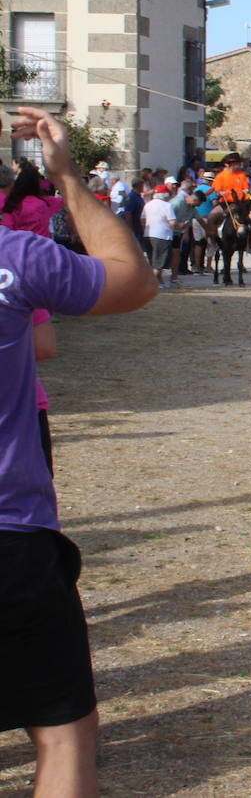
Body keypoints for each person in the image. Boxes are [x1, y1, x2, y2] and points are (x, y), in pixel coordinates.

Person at [1, 106, 160, 798]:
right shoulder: (13, 258)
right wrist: (66, 175)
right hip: (11, 536)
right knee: (64, 735)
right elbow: (133, 279)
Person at [209, 153, 251, 258]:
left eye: (238, 163)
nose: (237, 165)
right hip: (226, 203)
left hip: (241, 203)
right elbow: (217, 191)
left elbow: (246, 188)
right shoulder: (220, 176)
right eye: (235, 163)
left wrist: (246, 191)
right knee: (211, 216)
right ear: (227, 164)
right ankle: (213, 242)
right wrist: (220, 193)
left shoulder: (241, 175)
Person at [142, 182, 177, 289]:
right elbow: (172, 222)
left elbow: (142, 220)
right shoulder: (167, 205)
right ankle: (151, 283)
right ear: (165, 195)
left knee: (153, 260)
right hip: (162, 235)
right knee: (159, 262)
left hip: (148, 234)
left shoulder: (147, 205)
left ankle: (159, 282)